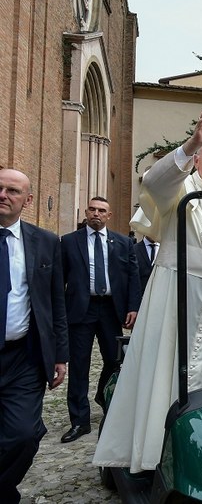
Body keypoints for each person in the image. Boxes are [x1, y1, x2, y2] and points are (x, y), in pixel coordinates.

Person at [93, 105, 202, 473]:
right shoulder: (180, 187)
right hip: (178, 299)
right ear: (198, 160)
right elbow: (154, 183)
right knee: (170, 373)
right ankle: (161, 452)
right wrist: (192, 143)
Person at [0, 169, 68, 503]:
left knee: (23, 435)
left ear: (27, 200)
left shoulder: (44, 241)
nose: (3, 195)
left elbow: (55, 301)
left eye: (12, 190)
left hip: (23, 356)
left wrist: (60, 355)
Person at [60, 196, 141, 443]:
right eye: (92, 209)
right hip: (80, 311)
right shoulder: (69, 242)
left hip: (110, 310)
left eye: (102, 210)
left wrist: (133, 307)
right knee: (79, 365)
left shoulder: (123, 243)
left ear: (109, 215)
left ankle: (103, 397)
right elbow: (59, 278)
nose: (96, 213)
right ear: (86, 212)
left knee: (113, 361)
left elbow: (132, 276)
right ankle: (80, 421)